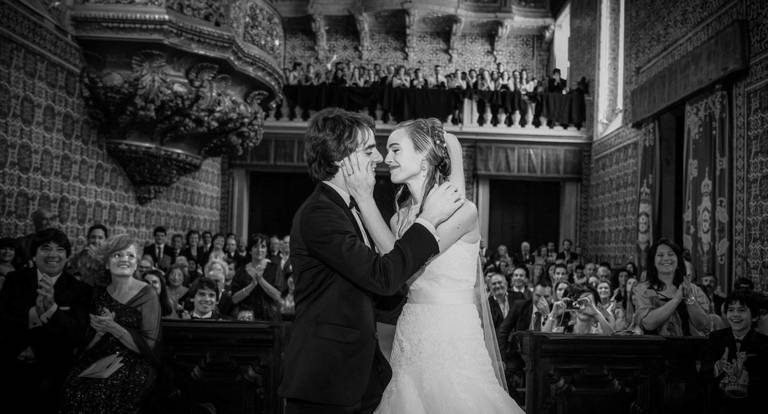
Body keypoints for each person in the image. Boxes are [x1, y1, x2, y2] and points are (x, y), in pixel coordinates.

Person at [278, 108, 466, 414]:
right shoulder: (320, 214)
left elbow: (373, 290)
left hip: (357, 376)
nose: (378, 158)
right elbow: (381, 277)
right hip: (326, 381)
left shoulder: (345, 208)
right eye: (369, 150)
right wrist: (429, 219)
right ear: (342, 160)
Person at [344, 117, 520, 413]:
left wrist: (364, 198)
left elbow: (406, 260)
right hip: (411, 328)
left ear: (424, 157)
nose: (387, 159)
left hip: (451, 330)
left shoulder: (462, 212)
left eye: (396, 150)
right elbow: (391, 270)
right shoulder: (398, 218)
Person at [59, 234, 160, 413]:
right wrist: (99, 332)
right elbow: (88, 341)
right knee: (74, 386)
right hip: (100, 356)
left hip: (134, 362)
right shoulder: (98, 293)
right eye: (117, 255)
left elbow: (149, 347)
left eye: (130, 255)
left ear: (136, 263)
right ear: (106, 263)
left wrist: (113, 327)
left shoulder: (148, 294)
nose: (124, 260)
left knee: (103, 392)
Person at [0, 229, 92, 414]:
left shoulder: (80, 290)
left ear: (67, 256)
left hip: (54, 374)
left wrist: (51, 310)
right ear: (34, 254)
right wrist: (35, 314)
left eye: (59, 250)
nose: (53, 255)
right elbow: (3, 320)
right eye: (45, 248)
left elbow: (77, 335)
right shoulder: (14, 280)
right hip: (12, 369)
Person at [634, 239, 723, 336]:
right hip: (655, 348)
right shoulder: (645, 289)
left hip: (687, 348)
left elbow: (703, 325)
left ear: (678, 261)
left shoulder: (693, 289)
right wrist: (676, 299)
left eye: (671, 254)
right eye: (660, 255)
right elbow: (648, 323)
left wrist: (689, 298)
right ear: (653, 262)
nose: (666, 258)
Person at [702, 290, 768, 412]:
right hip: (720, 405)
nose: (735, 314)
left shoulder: (764, 344)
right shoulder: (716, 338)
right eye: (731, 310)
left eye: (742, 310)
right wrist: (718, 367)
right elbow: (705, 372)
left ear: (754, 316)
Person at [230, 234, 282, 321]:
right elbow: (234, 299)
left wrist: (261, 280)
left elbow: (277, 296)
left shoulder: (275, 268)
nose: (259, 250)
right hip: (246, 317)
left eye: (263, 246)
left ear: (266, 250)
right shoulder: (241, 270)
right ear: (250, 250)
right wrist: (252, 285)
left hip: (270, 318)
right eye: (255, 246)